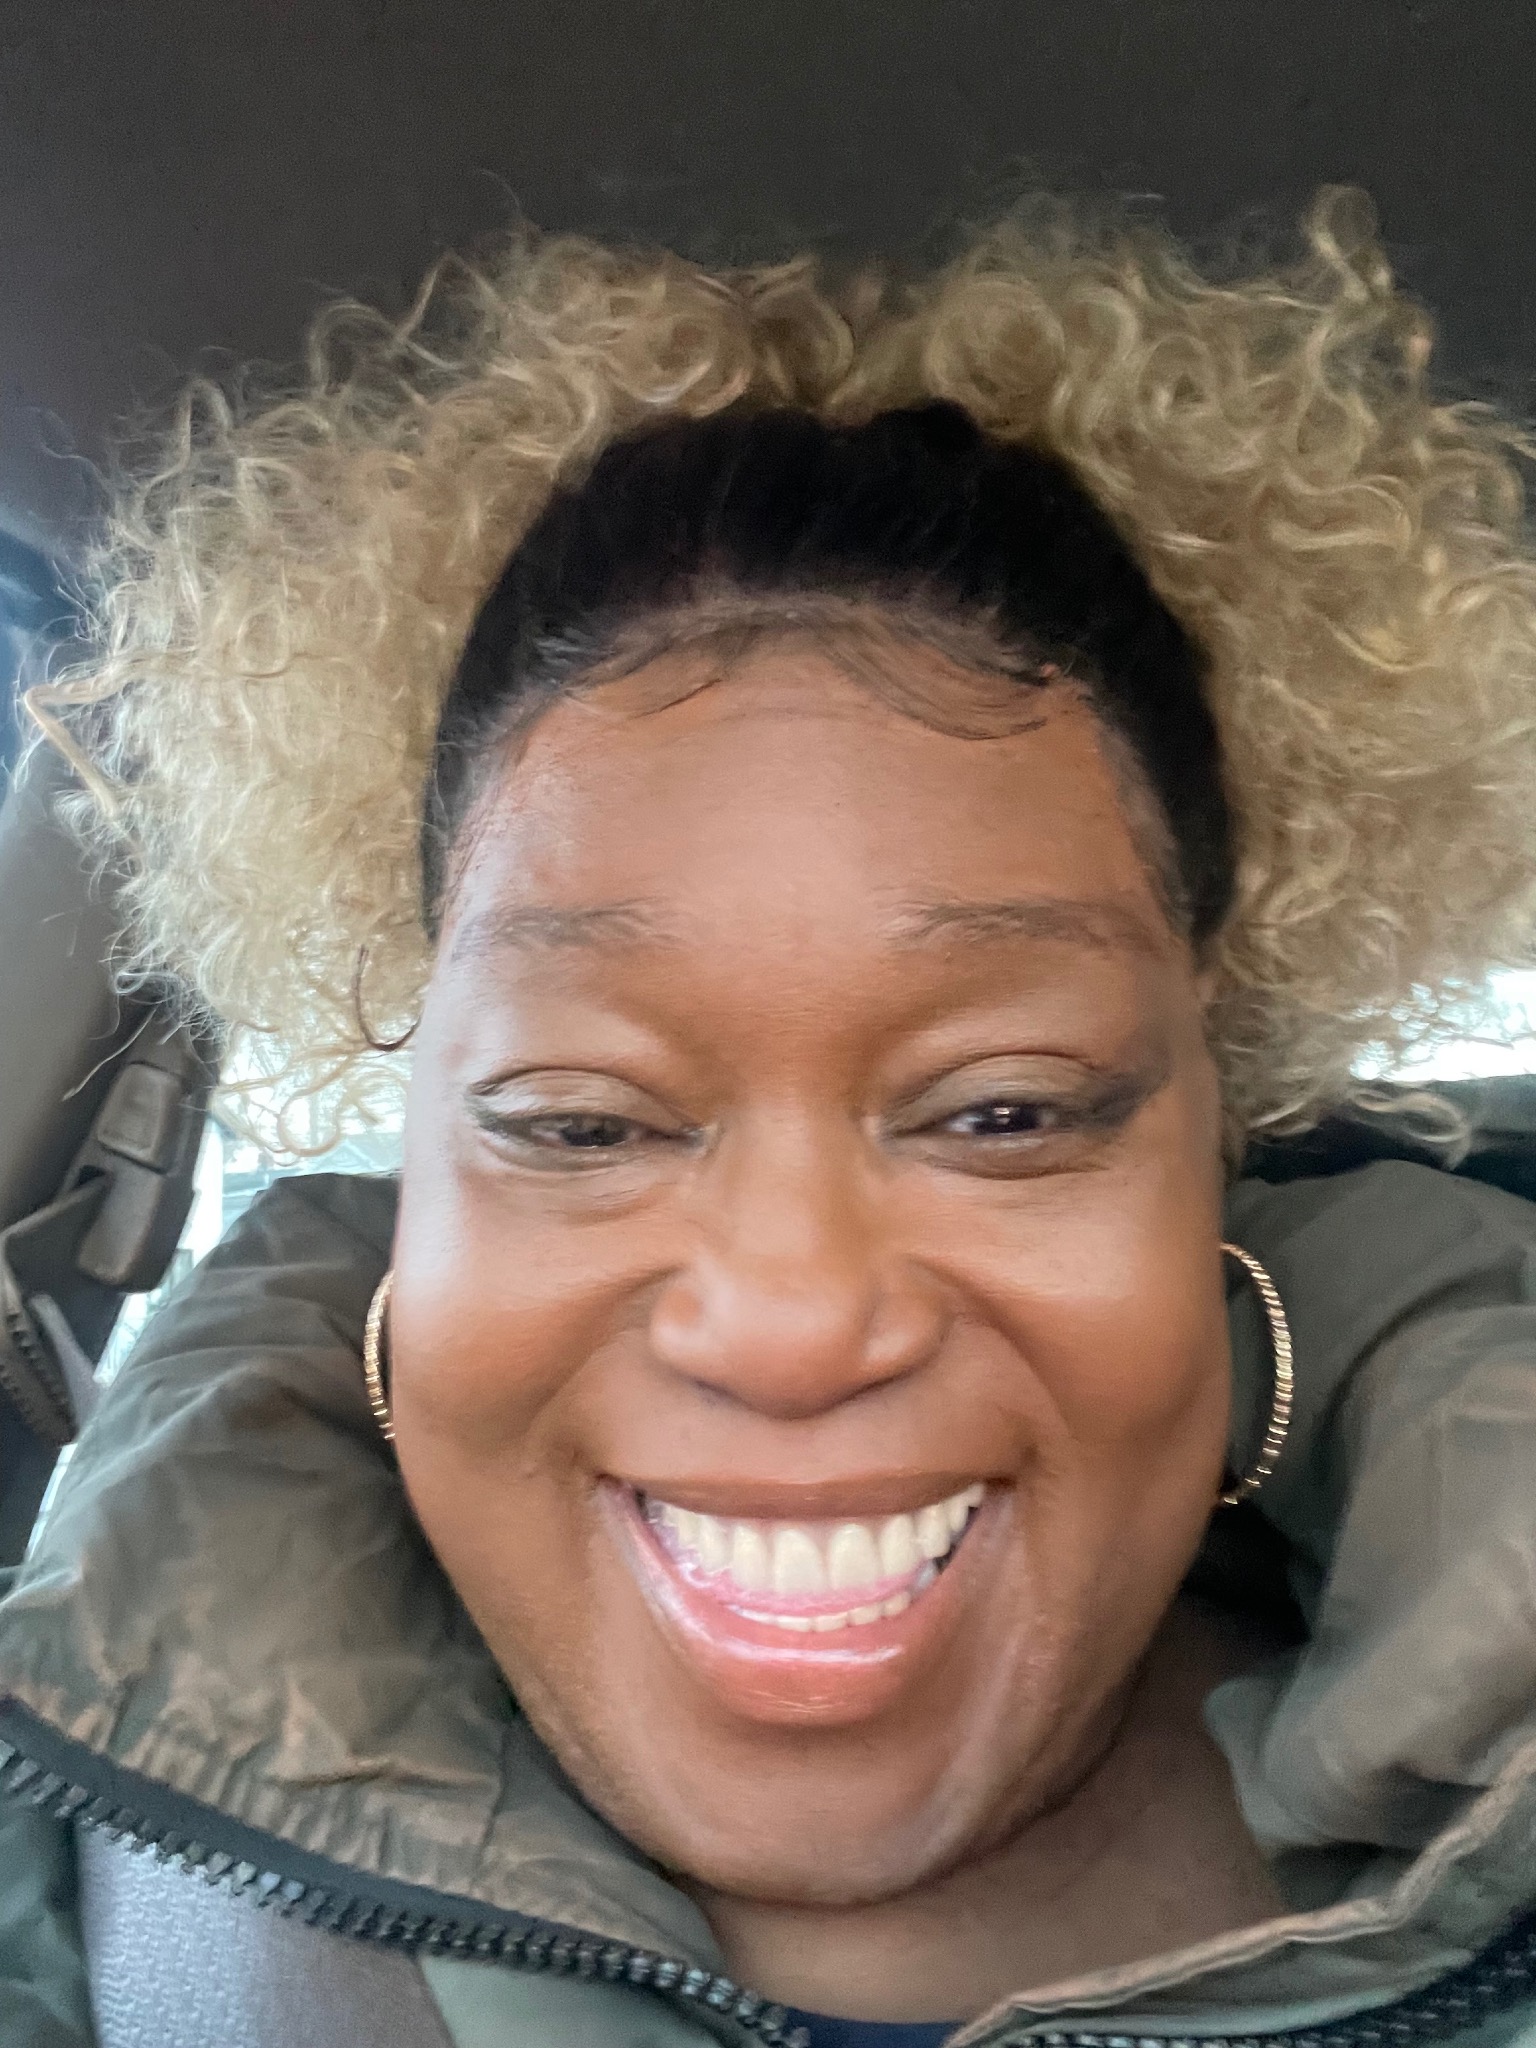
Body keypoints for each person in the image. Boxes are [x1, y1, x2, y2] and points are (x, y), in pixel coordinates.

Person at [4, 186, 1536, 2048]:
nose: (792, 1325)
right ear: (410, 1173)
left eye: (1004, 1113)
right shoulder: (72, 1881)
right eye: (582, 1125)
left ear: (1218, 1139)